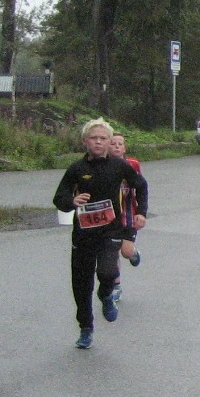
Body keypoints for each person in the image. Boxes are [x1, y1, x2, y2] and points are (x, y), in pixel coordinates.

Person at [53, 118, 148, 349]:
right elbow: (59, 199)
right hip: (83, 234)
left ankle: (106, 295)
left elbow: (141, 185)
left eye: (103, 138)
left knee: (107, 272)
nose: (98, 142)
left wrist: (141, 212)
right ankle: (86, 329)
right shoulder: (77, 169)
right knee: (82, 284)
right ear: (85, 142)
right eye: (94, 138)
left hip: (110, 230)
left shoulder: (119, 166)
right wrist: (72, 201)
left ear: (109, 142)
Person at [107, 132, 143, 303]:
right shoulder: (101, 167)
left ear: (125, 148)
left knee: (126, 252)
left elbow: (141, 187)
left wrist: (141, 212)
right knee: (112, 253)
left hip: (128, 217)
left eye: (120, 144)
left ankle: (135, 253)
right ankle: (116, 286)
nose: (116, 146)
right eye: (113, 143)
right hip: (110, 220)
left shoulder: (133, 165)